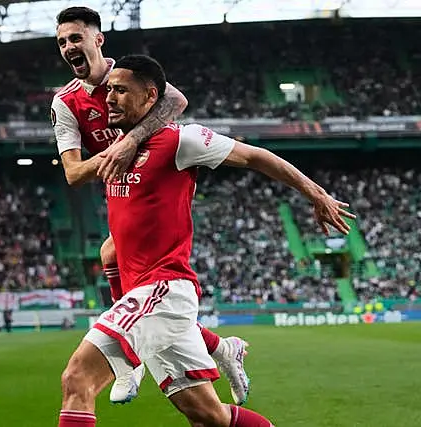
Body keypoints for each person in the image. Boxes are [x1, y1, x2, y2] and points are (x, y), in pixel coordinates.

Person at [57, 54, 356, 427]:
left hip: (163, 290)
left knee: (77, 378)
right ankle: (216, 348)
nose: (110, 98)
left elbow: (255, 156)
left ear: (150, 97)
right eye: (109, 91)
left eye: (120, 90)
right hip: (151, 300)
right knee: (210, 417)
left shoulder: (183, 139)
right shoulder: (116, 151)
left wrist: (316, 194)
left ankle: (138, 359)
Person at [52, 6, 250, 405]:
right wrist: (112, 156)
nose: (69, 47)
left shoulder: (129, 76)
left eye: (76, 38)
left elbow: (176, 100)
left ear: (97, 40)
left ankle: (131, 362)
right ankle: (220, 349)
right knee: (112, 253)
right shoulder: (65, 102)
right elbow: (73, 174)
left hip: (157, 178)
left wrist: (130, 140)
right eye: (61, 42)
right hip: (120, 190)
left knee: (116, 256)